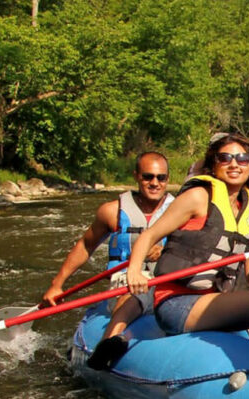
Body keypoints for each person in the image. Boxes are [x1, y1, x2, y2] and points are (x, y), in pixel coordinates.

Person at [126, 133, 249, 347]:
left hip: (215, 301)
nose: (234, 164)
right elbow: (149, 235)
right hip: (176, 303)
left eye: (242, 159)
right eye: (225, 158)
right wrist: (134, 271)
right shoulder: (198, 197)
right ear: (213, 166)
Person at [41, 151, 175, 370]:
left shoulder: (182, 211)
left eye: (161, 178)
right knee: (136, 292)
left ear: (167, 179)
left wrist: (167, 249)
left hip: (165, 281)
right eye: (148, 176)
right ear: (136, 176)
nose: (155, 183)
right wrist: (57, 284)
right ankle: (110, 342)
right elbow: (86, 245)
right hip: (125, 282)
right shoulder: (111, 211)